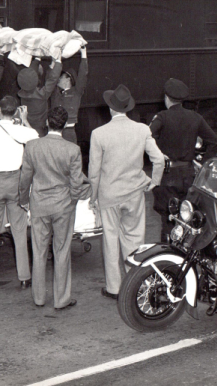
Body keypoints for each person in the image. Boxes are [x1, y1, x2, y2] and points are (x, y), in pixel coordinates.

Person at [89, 84, 165, 300]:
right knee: (134, 239)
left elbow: (94, 172)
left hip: (109, 195)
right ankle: (136, 283)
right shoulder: (142, 129)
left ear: (111, 108)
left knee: (110, 240)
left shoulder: (99, 134)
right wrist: (154, 181)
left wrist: (93, 198)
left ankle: (114, 288)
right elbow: (158, 159)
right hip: (134, 193)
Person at [18, 107, 92, 310]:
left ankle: (39, 298)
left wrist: (24, 200)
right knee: (62, 251)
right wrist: (72, 201)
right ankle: (61, 299)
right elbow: (77, 183)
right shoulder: (72, 150)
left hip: (39, 204)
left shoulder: (32, 146)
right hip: (63, 206)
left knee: (39, 251)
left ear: (47, 123)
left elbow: (25, 177)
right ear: (65, 124)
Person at [0, 96, 38, 290]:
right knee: (19, 229)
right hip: (16, 182)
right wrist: (24, 119)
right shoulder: (22, 131)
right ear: (16, 112)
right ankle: (24, 277)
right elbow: (35, 136)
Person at [150, 78, 217, 241]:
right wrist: (202, 163)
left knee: (168, 219)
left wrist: (159, 154)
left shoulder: (162, 117)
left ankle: (168, 256)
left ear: (166, 98)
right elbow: (214, 140)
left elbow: (147, 136)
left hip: (167, 177)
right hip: (189, 177)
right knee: (187, 218)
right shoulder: (195, 117)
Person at [50, 47, 88, 144]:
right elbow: (50, 78)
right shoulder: (55, 92)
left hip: (68, 132)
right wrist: (55, 61)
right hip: (53, 132)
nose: (58, 79)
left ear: (68, 79)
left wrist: (84, 54)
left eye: (61, 77)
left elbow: (83, 75)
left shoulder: (76, 92)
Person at [18, 56, 62, 136]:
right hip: (40, 131)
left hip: (26, 127)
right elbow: (53, 80)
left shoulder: (22, 94)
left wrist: (37, 59)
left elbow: (29, 75)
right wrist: (58, 61)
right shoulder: (41, 94)